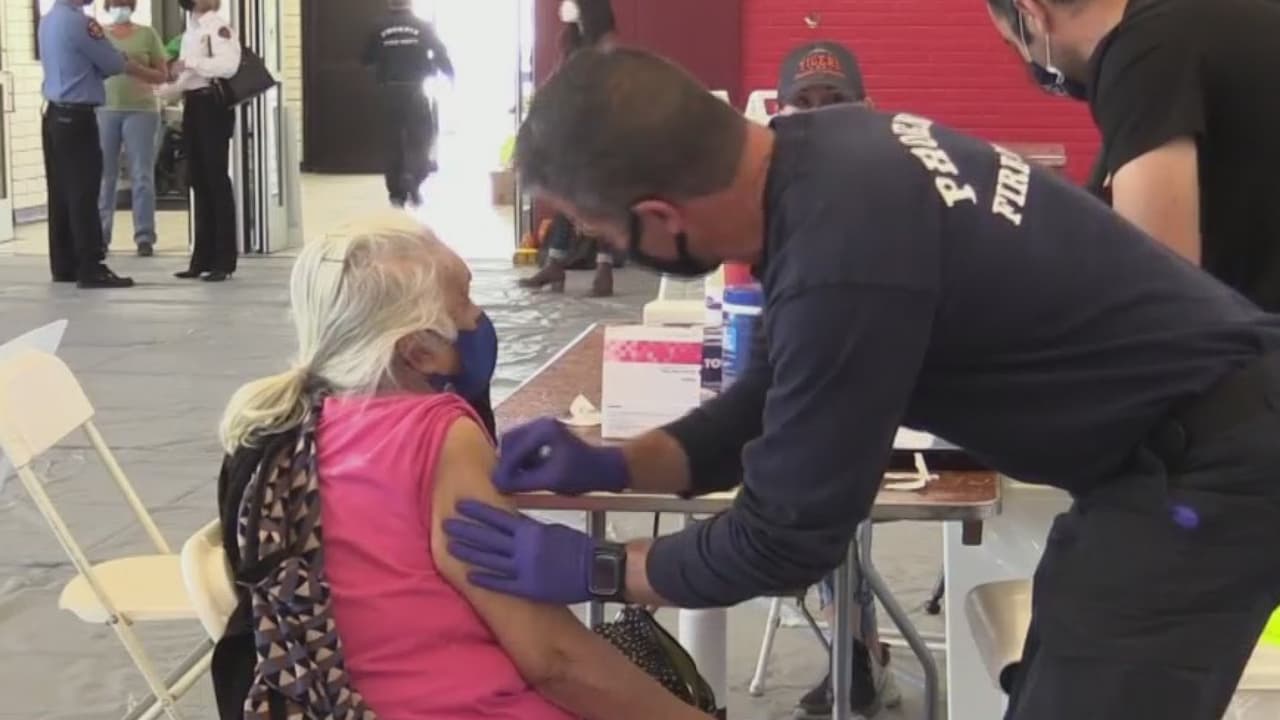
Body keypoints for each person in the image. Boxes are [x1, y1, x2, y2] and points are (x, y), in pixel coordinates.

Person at [444, 49, 1280, 720]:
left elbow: (783, 540)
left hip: (1212, 466)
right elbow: (765, 403)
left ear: (659, 217)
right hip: (1171, 453)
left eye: (599, 232)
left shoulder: (844, 257)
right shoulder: (827, 158)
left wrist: (598, 569)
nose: (607, 250)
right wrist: (619, 466)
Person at [212, 212, 712, 720]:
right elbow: (554, 660)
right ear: (419, 351)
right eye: (465, 300)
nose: (478, 317)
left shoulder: (279, 431)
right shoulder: (438, 434)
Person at [986, 0, 1280, 312]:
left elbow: (1159, 299)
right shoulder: (1201, 22)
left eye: (1013, 43)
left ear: (1032, 10)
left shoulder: (1144, 53)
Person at [768, 40, 901, 720]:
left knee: (823, 483)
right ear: (779, 112)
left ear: (867, 109)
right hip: (808, 381)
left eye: (835, 102)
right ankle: (860, 650)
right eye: (805, 103)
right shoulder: (767, 196)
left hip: (894, 387)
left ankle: (857, 653)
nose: (818, 117)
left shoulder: (896, 184)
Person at [39, 0, 150, 288]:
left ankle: (64, 265)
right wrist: (114, 61)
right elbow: (112, 63)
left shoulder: (48, 20)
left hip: (54, 115)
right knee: (84, 192)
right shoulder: (81, 22)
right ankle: (91, 267)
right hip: (77, 118)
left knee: (61, 193)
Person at [519, 0, 620, 297]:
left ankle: (601, 269)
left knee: (597, 201)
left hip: (595, 132)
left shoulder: (597, 52)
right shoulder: (585, 49)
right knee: (570, 199)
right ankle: (558, 264)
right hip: (582, 131)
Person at [166, 0, 240, 282]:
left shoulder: (218, 28)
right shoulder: (191, 31)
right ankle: (201, 258)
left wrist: (190, 63)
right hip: (194, 104)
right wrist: (165, 88)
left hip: (212, 106)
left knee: (215, 178)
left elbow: (228, 66)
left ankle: (223, 260)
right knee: (198, 179)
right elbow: (187, 77)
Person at [362, 0, 454, 209]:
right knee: (423, 137)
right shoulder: (423, 26)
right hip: (415, 89)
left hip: (389, 90)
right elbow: (440, 53)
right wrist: (450, 75)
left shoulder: (378, 27)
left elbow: (366, 59)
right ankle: (413, 176)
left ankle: (396, 193)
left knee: (392, 142)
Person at [98, 0, 168, 258]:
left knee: (141, 174)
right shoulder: (99, 34)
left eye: (124, 3)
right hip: (105, 109)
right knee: (105, 176)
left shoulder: (147, 34)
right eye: (116, 4)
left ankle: (144, 236)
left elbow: (162, 75)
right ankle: (100, 235)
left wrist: (136, 68)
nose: (120, 8)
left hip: (141, 110)